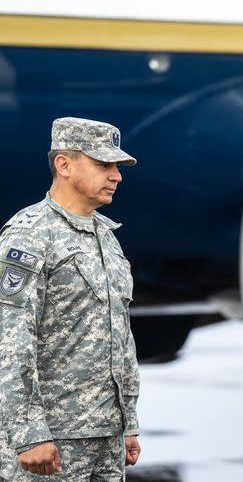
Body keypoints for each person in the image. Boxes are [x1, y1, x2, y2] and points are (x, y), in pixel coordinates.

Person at [0, 117, 141, 481]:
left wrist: (127, 422)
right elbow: (10, 341)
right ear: (64, 164)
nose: (116, 176)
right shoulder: (29, 236)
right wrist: (29, 433)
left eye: (117, 167)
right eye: (103, 165)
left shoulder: (107, 238)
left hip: (105, 438)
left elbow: (120, 335)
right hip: (52, 441)